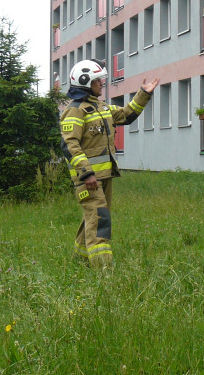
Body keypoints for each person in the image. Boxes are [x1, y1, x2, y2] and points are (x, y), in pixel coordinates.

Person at [60, 59, 158, 269]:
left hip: (103, 177)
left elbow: (126, 115)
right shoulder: (75, 110)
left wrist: (144, 93)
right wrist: (86, 174)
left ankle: (79, 261)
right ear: (85, 82)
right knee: (100, 219)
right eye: (98, 80)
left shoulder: (100, 107)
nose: (102, 83)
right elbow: (69, 145)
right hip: (89, 179)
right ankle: (103, 270)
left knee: (92, 218)